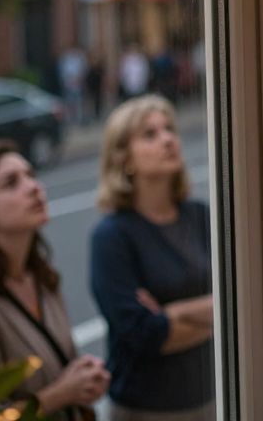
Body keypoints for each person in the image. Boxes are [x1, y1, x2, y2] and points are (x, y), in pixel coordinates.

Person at [0, 140, 109, 421]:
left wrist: (84, 379)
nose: (33, 187)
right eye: (11, 183)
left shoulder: (41, 280)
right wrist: (60, 394)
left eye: (30, 175)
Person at [90, 95, 214, 421]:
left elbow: (246, 299)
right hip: (144, 409)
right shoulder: (112, 237)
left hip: (213, 395)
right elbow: (145, 335)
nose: (168, 139)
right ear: (124, 159)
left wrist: (173, 312)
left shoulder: (201, 217)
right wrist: (222, 313)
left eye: (169, 129)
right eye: (150, 134)